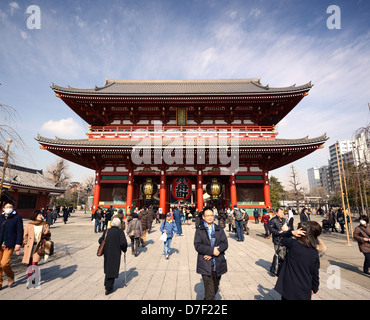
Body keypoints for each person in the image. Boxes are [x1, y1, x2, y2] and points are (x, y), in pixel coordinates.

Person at [274, 222, 320, 300]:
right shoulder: (314, 252)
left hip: (288, 286)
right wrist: (314, 287)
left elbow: (280, 238)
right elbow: (315, 273)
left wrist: (291, 232)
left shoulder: (292, 244)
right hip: (304, 287)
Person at [194, 207, 228, 300]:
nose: (210, 217)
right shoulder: (199, 230)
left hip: (218, 262)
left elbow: (225, 243)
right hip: (205, 263)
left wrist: (216, 251)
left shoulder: (219, 229)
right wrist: (211, 250)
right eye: (207, 215)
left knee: (215, 287)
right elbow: (197, 245)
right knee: (210, 291)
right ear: (203, 217)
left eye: (211, 215)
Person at [22, 210, 51, 288]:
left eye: (41, 215)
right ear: (35, 216)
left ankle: (34, 280)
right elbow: (25, 235)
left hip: (38, 246)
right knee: (29, 263)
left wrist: (46, 234)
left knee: (34, 263)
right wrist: (24, 243)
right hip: (29, 246)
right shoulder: (30, 224)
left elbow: (48, 237)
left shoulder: (45, 224)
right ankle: (29, 278)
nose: (41, 216)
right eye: (39, 215)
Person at [98, 218, 127, 295]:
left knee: (108, 267)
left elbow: (100, 240)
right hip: (116, 252)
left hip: (107, 252)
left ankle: (106, 283)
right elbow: (123, 243)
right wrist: (124, 250)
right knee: (113, 269)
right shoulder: (120, 232)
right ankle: (109, 288)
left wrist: (107, 242)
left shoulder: (107, 231)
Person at [0, 201, 23, 289]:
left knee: (4, 263)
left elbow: (20, 231)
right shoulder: (1, 217)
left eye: (10, 206)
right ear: (3, 208)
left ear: (13, 208)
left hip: (9, 244)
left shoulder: (17, 217)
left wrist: (18, 243)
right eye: (7, 206)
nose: (8, 208)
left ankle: (10, 275)